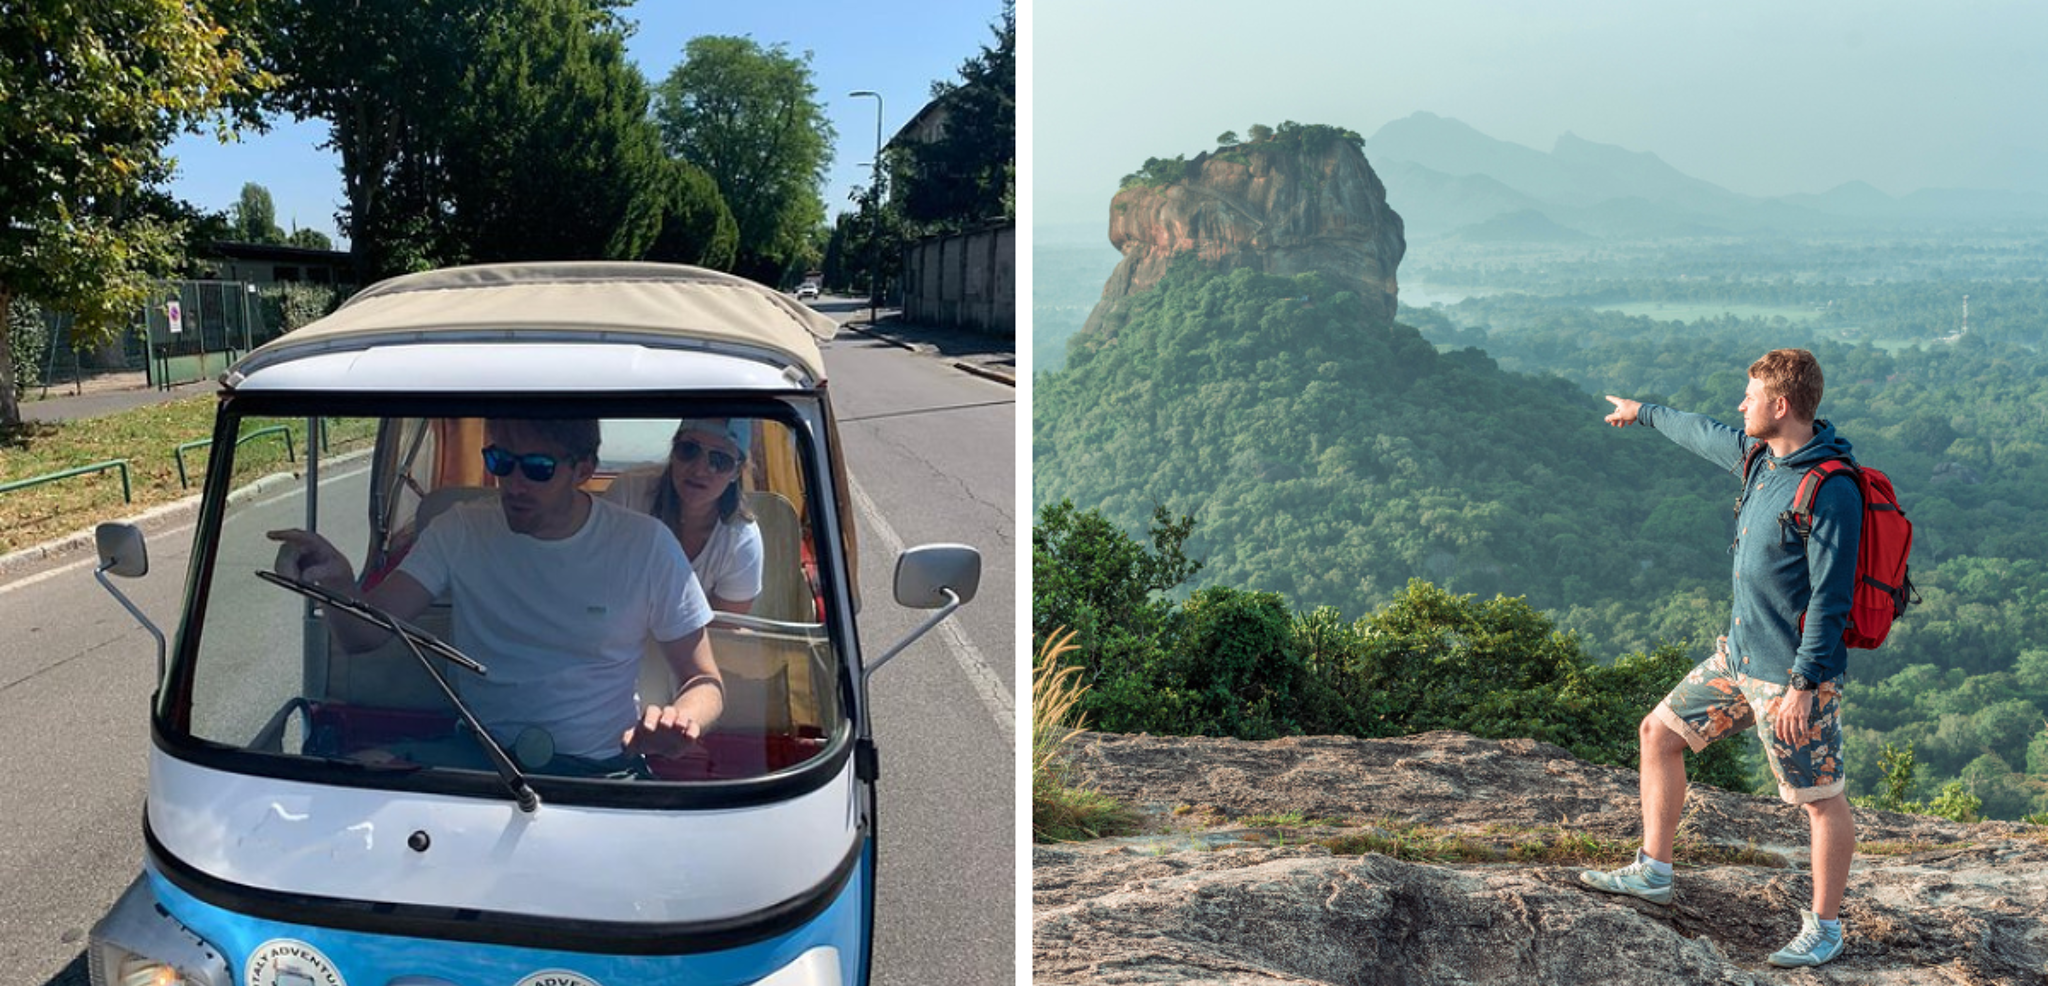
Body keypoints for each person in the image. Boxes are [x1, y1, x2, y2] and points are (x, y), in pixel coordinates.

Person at [1579, 349, 1861, 969]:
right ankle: (1653, 871)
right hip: (1737, 658)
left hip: (1790, 675)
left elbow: (1832, 598)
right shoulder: (1762, 457)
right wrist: (1643, 412)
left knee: (1819, 799)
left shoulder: (1830, 488)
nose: (1741, 405)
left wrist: (1804, 685)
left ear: (1780, 405)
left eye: (1750, 394)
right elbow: (1704, 433)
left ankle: (1825, 928)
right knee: (1659, 732)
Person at [268, 417, 722, 776]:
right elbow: (363, 635)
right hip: (479, 759)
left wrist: (681, 721)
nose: (514, 484)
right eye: (500, 461)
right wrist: (337, 584)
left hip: (599, 767)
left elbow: (705, 681)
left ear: (583, 470)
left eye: (537, 468)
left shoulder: (644, 545)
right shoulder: (460, 529)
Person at [603, 418, 763, 614]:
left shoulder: (741, 540)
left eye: (719, 460)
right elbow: (594, 581)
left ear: (736, 472)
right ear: (673, 452)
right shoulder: (628, 493)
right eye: (689, 450)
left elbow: (725, 632)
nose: (699, 470)